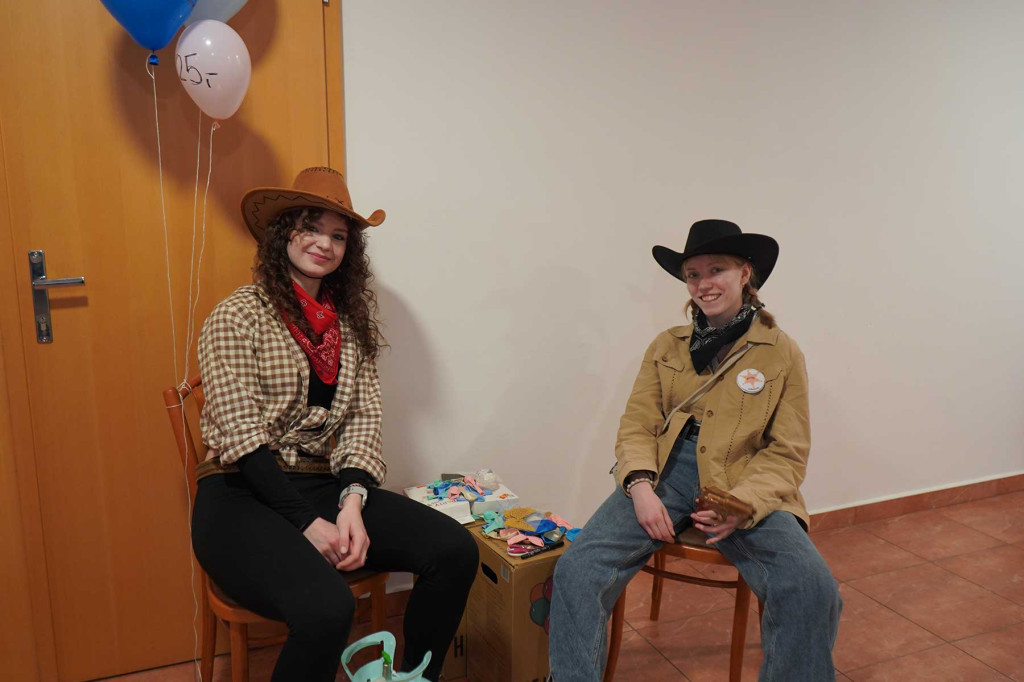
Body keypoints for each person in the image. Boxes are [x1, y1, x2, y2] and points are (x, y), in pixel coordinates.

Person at [191, 167, 478, 682]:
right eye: (310, 227)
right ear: (283, 234)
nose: (324, 243)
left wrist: (351, 504)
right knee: (327, 609)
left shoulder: (348, 327)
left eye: (338, 235)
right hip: (239, 493)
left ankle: (412, 679)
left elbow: (363, 421)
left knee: (454, 550)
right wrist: (308, 523)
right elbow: (240, 436)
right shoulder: (236, 316)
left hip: (321, 484)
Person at [549, 219, 841, 681]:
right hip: (665, 470)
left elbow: (788, 452)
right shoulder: (667, 345)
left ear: (745, 273)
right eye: (693, 275)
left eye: (716, 270)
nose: (704, 284)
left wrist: (743, 504)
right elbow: (638, 425)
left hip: (743, 479)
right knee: (577, 570)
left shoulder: (780, 352)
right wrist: (640, 487)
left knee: (811, 587)